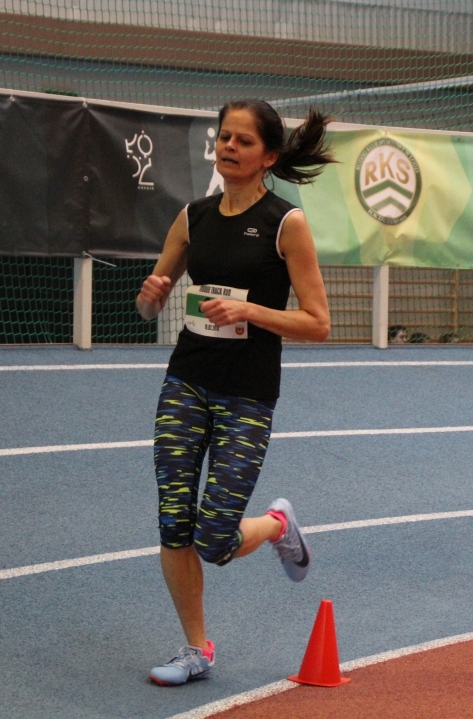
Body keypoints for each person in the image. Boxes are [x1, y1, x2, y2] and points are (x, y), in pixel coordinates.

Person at [135, 100, 334, 685]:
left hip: (248, 393)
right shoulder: (192, 217)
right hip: (186, 381)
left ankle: (276, 525)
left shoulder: (285, 224)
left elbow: (318, 322)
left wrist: (250, 310)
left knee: (215, 539)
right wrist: (151, 296)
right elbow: (148, 307)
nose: (228, 147)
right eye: (224, 137)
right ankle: (196, 648)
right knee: (174, 519)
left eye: (243, 141)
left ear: (268, 156)